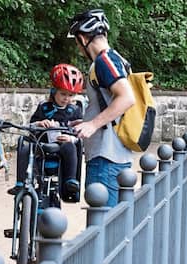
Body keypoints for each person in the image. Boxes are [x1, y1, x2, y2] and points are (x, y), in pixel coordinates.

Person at [67, 9, 136, 207]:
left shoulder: (104, 61)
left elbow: (126, 98)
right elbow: (108, 100)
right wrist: (88, 121)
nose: (79, 49)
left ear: (82, 38)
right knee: (113, 227)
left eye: (77, 43)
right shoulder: (116, 59)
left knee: (102, 226)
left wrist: (93, 125)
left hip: (105, 156)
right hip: (115, 154)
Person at [14, 63, 85, 204]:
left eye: (70, 95)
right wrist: (40, 124)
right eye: (63, 94)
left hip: (62, 146)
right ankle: (21, 183)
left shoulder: (75, 110)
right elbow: (30, 126)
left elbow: (80, 131)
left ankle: (70, 181)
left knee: (69, 146)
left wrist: (71, 138)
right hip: (42, 143)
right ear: (54, 91)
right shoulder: (44, 108)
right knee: (24, 145)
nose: (66, 98)